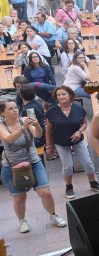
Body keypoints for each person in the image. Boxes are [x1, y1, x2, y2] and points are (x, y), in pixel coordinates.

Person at [0, 100, 67, 234]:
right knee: (20, 197)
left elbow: (38, 134)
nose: (15, 110)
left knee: (45, 192)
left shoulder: (25, 120)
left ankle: (53, 215)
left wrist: (36, 125)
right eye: (10, 109)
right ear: (2, 113)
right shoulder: (1, 126)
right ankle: (22, 221)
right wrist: (23, 128)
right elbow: (8, 139)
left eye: (16, 107)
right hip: (12, 167)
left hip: (33, 162)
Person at [44, 86, 99, 200]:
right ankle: (69, 186)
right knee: (67, 166)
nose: (61, 97)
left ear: (70, 95)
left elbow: (85, 123)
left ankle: (93, 182)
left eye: (63, 94)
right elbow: (48, 130)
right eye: (58, 95)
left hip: (78, 140)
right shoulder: (51, 111)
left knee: (87, 162)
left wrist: (79, 131)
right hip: (60, 141)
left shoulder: (78, 108)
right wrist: (49, 146)